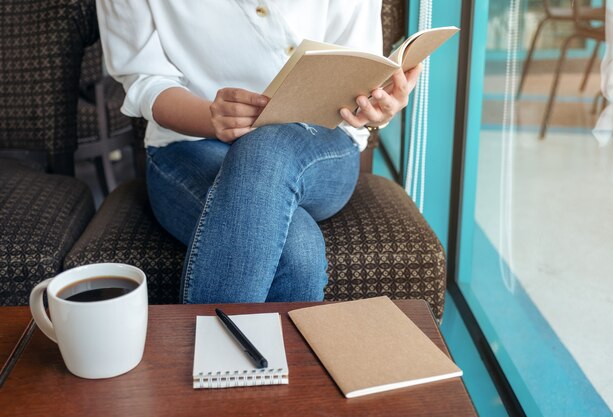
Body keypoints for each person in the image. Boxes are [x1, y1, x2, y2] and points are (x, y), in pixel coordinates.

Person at [96, 1, 421, 304]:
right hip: (188, 147)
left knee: (265, 148)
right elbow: (144, 79)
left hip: (323, 144)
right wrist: (211, 117)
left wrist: (379, 107)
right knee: (297, 251)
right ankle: (279, 366)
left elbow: (360, 69)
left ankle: (209, 359)